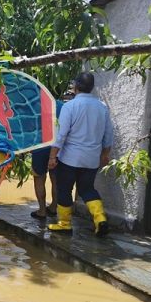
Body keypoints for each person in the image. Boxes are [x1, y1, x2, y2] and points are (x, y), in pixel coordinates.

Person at [47, 72, 113, 237]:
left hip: (70, 158)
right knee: (87, 189)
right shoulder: (102, 107)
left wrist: (52, 156)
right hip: (91, 159)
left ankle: (64, 224)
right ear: (92, 88)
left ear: (76, 86)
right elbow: (108, 135)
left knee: (64, 189)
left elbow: (61, 135)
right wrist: (105, 154)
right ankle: (100, 220)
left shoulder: (70, 106)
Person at [29, 86, 75, 220]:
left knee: (39, 178)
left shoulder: (33, 108)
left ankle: (42, 211)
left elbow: (28, 130)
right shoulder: (62, 106)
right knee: (55, 180)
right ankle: (54, 207)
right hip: (57, 148)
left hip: (39, 147)